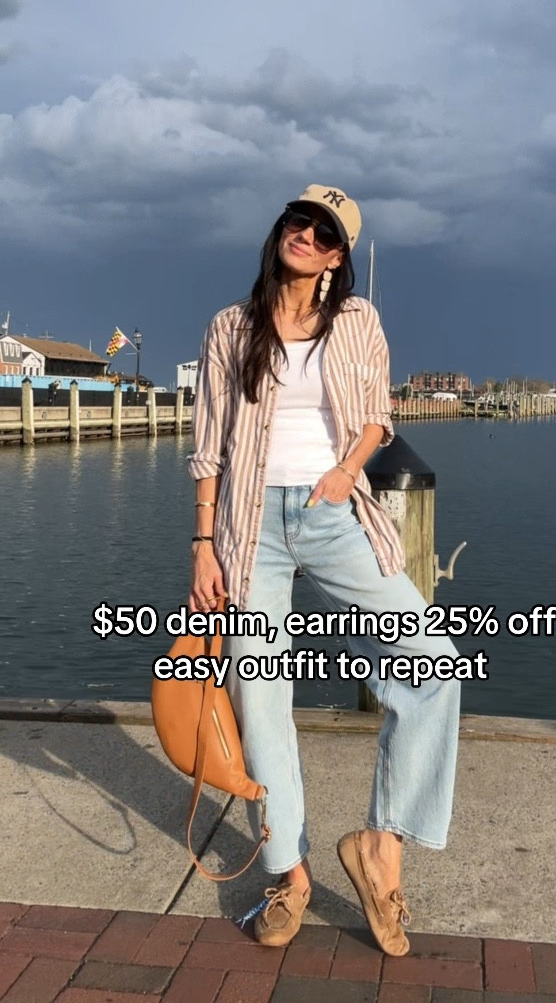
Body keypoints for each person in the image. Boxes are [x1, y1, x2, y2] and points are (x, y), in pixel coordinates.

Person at [187, 185, 460, 956]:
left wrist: (346, 471)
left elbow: (378, 412)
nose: (305, 234)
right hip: (246, 532)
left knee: (432, 662)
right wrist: (202, 545)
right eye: (298, 221)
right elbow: (209, 446)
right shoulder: (230, 327)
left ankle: (382, 847)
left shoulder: (358, 321)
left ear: (339, 256)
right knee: (259, 692)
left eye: (324, 232)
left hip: (334, 515)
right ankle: (287, 876)